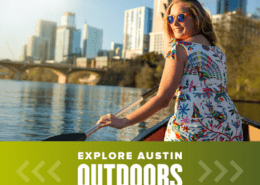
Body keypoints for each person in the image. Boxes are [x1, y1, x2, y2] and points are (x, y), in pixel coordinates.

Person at [97, 0, 243, 141]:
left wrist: (124, 122)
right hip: (230, 128)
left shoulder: (179, 48)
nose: (174, 23)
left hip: (195, 131)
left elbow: (163, 100)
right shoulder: (218, 52)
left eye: (181, 17)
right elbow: (218, 93)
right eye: (170, 18)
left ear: (197, 19)